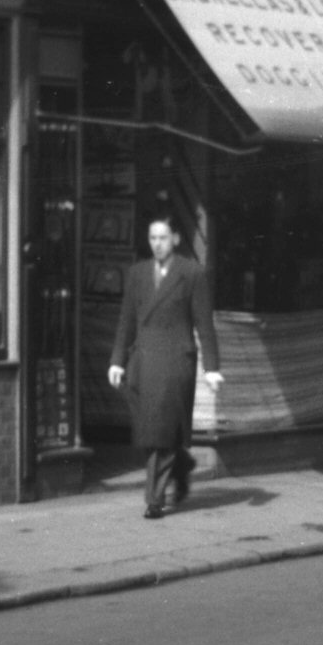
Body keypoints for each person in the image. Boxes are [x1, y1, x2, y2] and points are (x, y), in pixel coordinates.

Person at [108, 216, 222, 520]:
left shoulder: (192, 274)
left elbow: (204, 323)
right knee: (150, 429)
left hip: (175, 361)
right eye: (151, 238)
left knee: (160, 430)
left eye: (162, 237)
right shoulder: (137, 274)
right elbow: (126, 321)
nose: (156, 244)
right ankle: (181, 465)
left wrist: (212, 367)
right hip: (143, 362)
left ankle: (154, 499)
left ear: (175, 239)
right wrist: (117, 360)